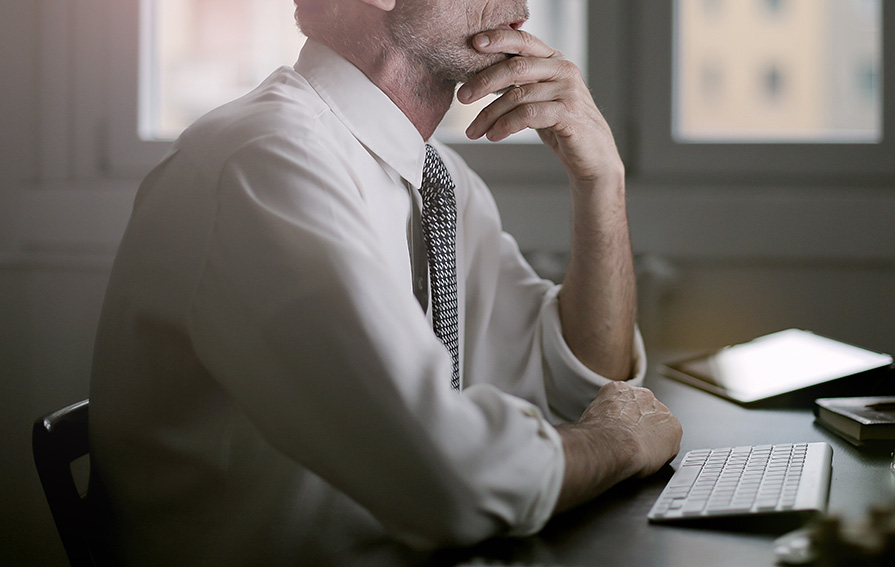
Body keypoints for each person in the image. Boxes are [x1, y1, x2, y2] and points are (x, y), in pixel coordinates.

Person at [87, 0, 682, 565]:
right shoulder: (266, 163)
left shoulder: (437, 179)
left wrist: (601, 176)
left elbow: (580, 388)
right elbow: (450, 479)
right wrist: (618, 444)